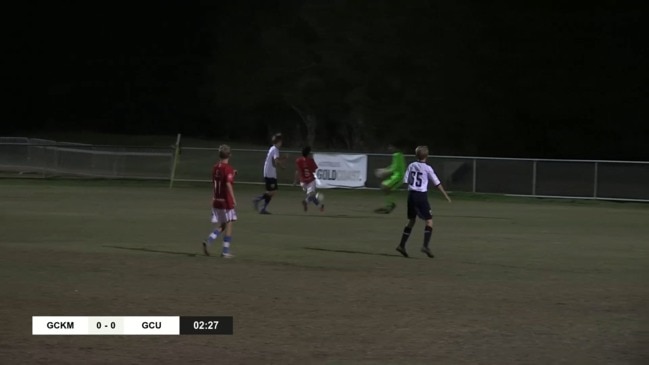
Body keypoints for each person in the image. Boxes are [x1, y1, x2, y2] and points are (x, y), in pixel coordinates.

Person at [395, 145, 452, 258]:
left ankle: (401, 245)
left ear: (416, 155)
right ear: (427, 156)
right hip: (421, 196)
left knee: (411, 220)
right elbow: (437, 183)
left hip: (411, 195)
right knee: (429, 221)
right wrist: (445, 195)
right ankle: (425, 246)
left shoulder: (411, 165)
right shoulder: (427, 168)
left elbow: (406, 181)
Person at [202, 145, 237, 258]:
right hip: (226, 200)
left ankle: (209, 240)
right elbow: (227, 183)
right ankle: (225, 251)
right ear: (230, 155)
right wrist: (234, 198)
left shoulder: (215, 167)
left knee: (223, 224)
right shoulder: (228, 168)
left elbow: (221, 178)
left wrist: (233, 174)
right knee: (230, 223)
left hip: (216, 200)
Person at [253, 133, 286, 214]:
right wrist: (282, 166)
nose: (282, 142)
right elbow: (276, 161)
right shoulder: (275, 149)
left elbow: (275, 160)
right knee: (271, 191)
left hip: (271, 173)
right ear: (278, 141)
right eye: (281, 141)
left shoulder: (273, 149)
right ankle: (257, 200)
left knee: (272, 192)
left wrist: (283, 159)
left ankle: (263, 208)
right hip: (269, 173)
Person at [375, 144, 406, 214]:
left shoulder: (397, 155)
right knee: (385, 187)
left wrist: (384, 172)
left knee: (385, 187)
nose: (389, 148)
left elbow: (395, 168)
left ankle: (390, 205)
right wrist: (385, 169)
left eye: (391, 147)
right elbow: (394, 166)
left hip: (399, 176)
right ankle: (390, 205)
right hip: (396, 176)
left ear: (395, 147)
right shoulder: (397, 155)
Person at [294, 146, 324, 212]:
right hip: (310, 181)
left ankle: (320, 207)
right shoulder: (311, 161)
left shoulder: (298, 160)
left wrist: (295, 181)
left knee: (312, 196)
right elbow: (314, 170)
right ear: (308, 153)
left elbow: (297, 171)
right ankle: (305, 201)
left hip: (303, 182)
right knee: (311, 195)